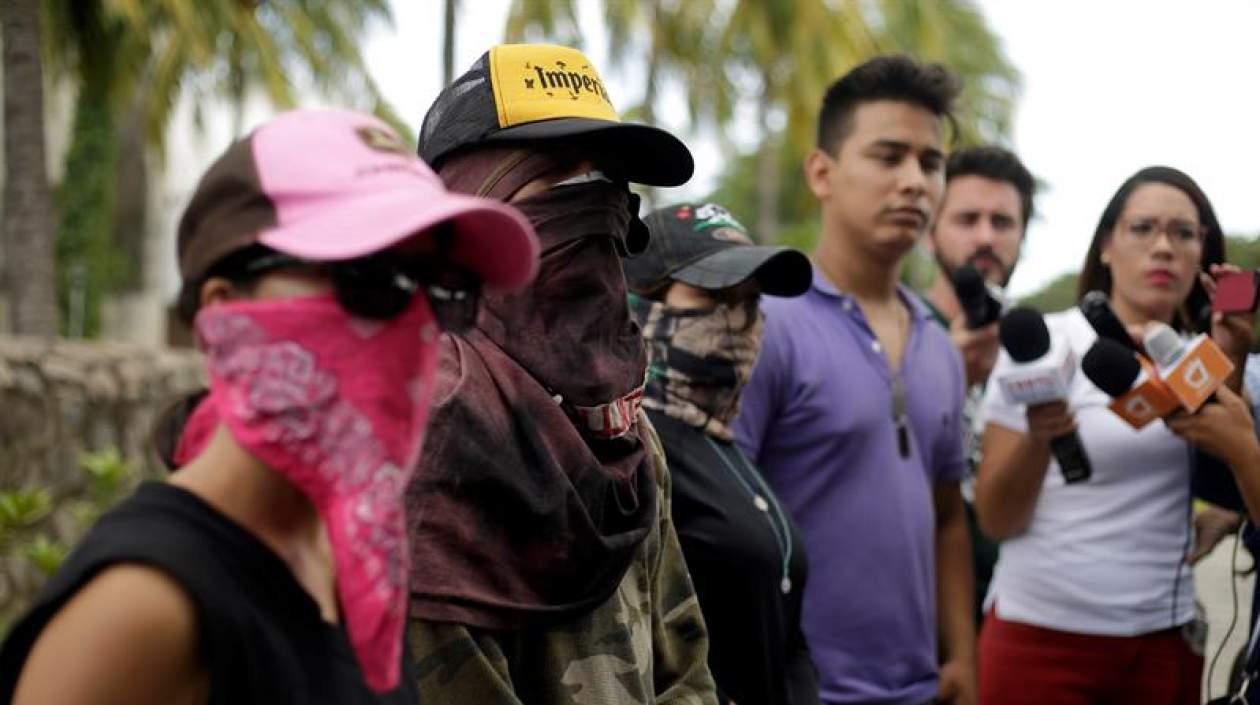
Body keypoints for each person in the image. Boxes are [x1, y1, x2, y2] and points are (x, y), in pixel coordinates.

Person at [0, 109, 539, 704]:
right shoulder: (143, 610)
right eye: (369, 276)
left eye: (444, 292)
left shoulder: (356, 559)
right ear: (226, 311)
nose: (415, 322)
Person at [403, 43, 718, 705]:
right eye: (553, 183)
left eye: (606, 185)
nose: (593, 208)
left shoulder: (626, 439)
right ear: (465, 213)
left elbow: (685, 664)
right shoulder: (426, 455)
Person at [733, 55, 976, 705]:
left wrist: (964, 657)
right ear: (822, 172)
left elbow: (949, 515)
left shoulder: (939, 346)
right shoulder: (764, 325)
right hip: (796, 689)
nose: (914, 182)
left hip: (923, 689)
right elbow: (715, 522)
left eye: (930, 162)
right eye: (889, 155)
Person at [974, 166, 1256, 705]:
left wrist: (1230, 355)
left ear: (1204, 255)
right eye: (1143, 228)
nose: (1164, 247)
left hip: (1164, 644)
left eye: (1184, 233)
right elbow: (996, 518)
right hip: (1040, 642)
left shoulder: (1206, 356)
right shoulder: (1046, 345)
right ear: (1106, 246)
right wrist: (1040, 437)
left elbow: (1232, 469)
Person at [623, 202, 817, 705]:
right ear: (642, 300)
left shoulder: (723, 443)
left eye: (751, 301)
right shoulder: (629, 451)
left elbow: (783, 626)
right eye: (714, 295)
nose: (739, 320)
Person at [921, 145, 1037, 625]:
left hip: (1020, 616)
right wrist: (948, 374)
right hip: (922, 618)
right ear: (930, 233)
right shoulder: (890, 334)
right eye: (967, 219)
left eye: (1003, 222)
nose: (986, 236)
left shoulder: (1041, 348)